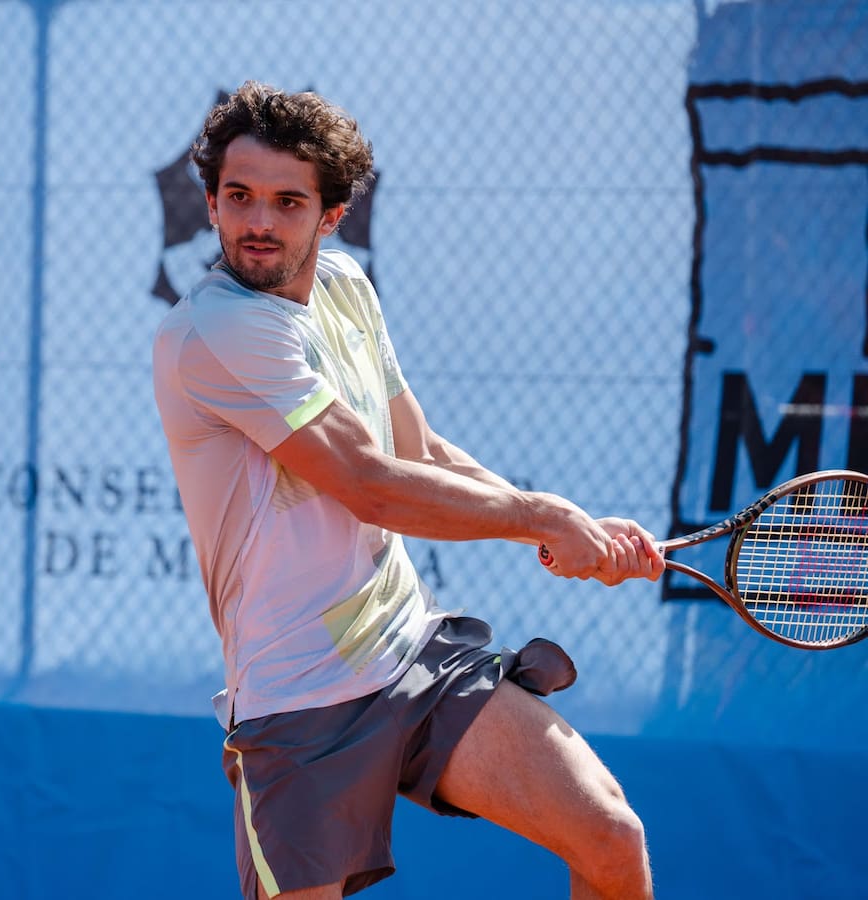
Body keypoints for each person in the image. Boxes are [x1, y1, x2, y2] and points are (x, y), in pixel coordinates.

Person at [152, 80, 666, 900]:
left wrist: (563, 529)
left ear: (331, 216)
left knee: (610, 836)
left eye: (288, 202)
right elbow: (373, 486)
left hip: (411, 654)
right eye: (239, 197)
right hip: (298, 704)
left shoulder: (346, 288)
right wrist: (543, 515)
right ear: (210, 203)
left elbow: (415, 447)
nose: (257, 222)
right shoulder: (215, 332)